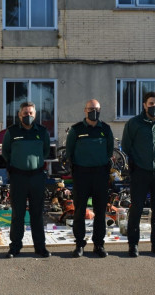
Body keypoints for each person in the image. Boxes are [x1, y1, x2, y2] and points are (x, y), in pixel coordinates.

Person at [122, 92, 155, 258]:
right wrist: (138, 163)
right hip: (140, 171)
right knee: (136, 209)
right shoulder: (134, 123)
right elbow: (126, 145)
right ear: (144, 105)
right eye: (151, 103)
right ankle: (133, 245)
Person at [1, 102, 51, 258]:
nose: (28, 116)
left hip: (37, 177)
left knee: (37, 214)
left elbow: (46, 151)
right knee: (18, 214)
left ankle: (40, 247)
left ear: (35, 115)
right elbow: (6, 152)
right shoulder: (12, 132)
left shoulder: (42, 132)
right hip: (18, 178)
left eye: (30, 113)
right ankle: (15, 247)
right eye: (25, 113)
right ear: (19, 115)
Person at [65, 99, 114, 258]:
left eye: (97, 109)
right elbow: (69, 151)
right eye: (91, 109)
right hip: (82, 175)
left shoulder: (105, 129)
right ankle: (79, 244)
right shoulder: (76, 130)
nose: (94, 111)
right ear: (85, 111)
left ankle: (98, 244)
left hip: (100, 175)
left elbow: (109, 151)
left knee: (100, 212)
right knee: (79, 211)